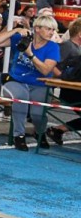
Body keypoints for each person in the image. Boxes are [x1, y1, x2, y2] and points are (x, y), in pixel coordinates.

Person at [0, 13, 61, 150]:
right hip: (17, 79)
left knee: (37, 115)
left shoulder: (53, 47)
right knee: (21, 98)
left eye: (53, 29)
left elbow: (46, 70)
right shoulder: (23, 39)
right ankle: (19, 135)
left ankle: (39, 132)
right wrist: (16, 30)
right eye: (48, 29)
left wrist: (30, 54)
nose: (52, 33)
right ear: (37, 29)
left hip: (39, 83)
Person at [45, 17, 81, 145]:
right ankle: (58, 129)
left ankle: (58, 129)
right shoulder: (68, 46)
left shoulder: (76, 48)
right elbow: (52, 63)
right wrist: (62, 78)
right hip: (70, 90)